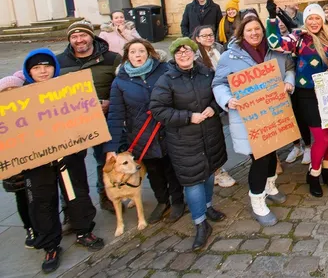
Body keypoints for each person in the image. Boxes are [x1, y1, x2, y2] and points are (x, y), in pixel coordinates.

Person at [267, 1, 328, 197]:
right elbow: (275, 42)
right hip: (307, 93)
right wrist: (272, 19)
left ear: (322, 19)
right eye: (310, 18)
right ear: (305, 20)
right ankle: (313, 173)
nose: (313, 21)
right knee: (322, 137)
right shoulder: (299, 37)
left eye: (317, 17)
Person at [22, 49, 104, 273]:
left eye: (46, 66)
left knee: (77, 195)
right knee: (42, 202)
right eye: (37, 68)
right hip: (37, 162)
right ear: (29, 71)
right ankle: (49, 244)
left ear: (54, 68)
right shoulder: (19, 97)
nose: (42, 71)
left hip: (69, 155)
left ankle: (84, 231)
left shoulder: (67, 90)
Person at [213, 14, 293, 226]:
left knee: (271, 152)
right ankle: (257, 200)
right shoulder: (230, 56)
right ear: (242, 32)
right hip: (248, 117)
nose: (254, 33)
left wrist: (288, 83)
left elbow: (290, 69)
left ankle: (270, 185)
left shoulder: (275, 51)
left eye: (257, 29)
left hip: (273, 113)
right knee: (260, 157)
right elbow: (218, 83)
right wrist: (227, 99)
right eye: (249, 30)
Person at [150, 38, 228, 251]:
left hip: (210, 134)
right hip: (184, 140)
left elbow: (218, 94)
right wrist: (187, 117)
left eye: (187, 51)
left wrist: (214, 107)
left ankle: (208, 206)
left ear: (195, 53)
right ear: (174, 57)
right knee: (193, 181)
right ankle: (200, 223)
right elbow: (158, 109)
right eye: (179, 52)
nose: (184, 55)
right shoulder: (166, 80)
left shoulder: (206, 73)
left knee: (210, 172)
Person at [106, 39, 184, 224]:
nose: (137, 55)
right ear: (127, 56)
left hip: (167, 129)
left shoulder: (164, 70)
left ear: (149, 53)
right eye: (133, 52)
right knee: (154, 171)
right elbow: (116, 114)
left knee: (171, 167)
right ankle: (162, 201)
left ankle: (178, 201)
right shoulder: (120, 81)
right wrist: (111, 146)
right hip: (142, 134)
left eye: (141, 51)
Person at [56, 20, 121, 213]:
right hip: (72, 122)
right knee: (70, 166)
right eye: (74, 37)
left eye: (83, 35)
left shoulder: (112, 58)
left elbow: (121, 85)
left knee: (105, 160)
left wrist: (110, 102)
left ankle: (106, 196)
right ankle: (72, 207)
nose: (79, 40)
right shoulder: (59, 62)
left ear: (91, 36)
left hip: (104, 117)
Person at [192, 25, 236, 188]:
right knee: (212, 136)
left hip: (225, 92)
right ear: (197, 38)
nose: (209, 38)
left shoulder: (220, 49)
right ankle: (216, 172)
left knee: (222, 134)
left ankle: (217, 169)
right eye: (204, 36)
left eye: (210, 35)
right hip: (208, 96)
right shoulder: (196, 56)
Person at [0, 71, 36, 248]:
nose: (11, 93)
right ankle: (29, 228)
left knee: (39, 198)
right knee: (22, 198)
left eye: (15, 89)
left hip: (35, 162)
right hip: (14, 170)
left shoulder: (29, 110)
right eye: (6, 90)